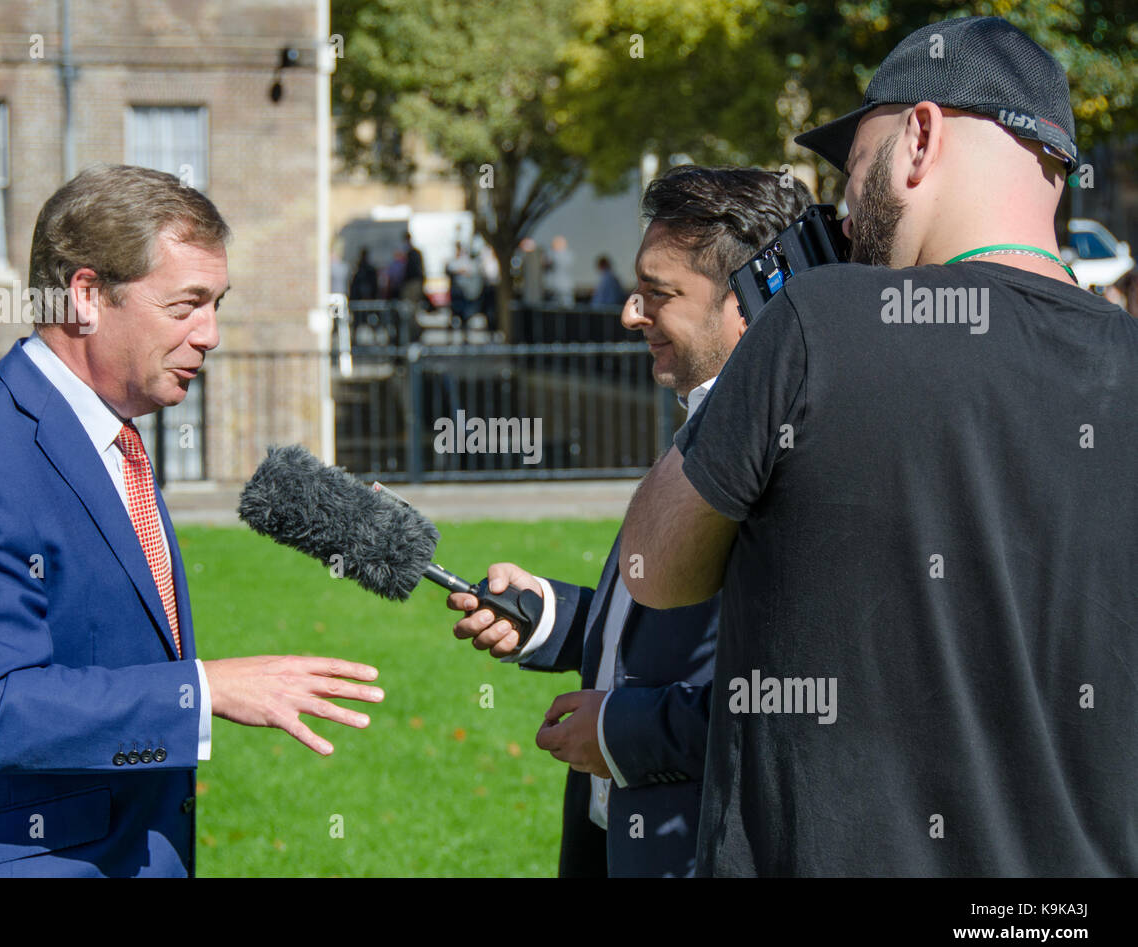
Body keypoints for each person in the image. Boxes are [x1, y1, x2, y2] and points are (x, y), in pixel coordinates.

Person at [620, 17, 1138, 876]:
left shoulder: (817, 324)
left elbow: (654, 566)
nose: (847, 208)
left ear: (920, 137)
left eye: (854, 166)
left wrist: (760, 354)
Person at [0, 164, 384, 877]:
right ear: (85, 296)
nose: (212, 334)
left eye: (217, 303)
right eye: (186, 304)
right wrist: (204, 690)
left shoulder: (112, 432)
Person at [448, 166, 815, 876]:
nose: (630, 313)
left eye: (661, 294)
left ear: (747, 301)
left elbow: (798, 705)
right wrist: (550, 616)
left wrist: (621, 732)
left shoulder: (796, 457)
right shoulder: (702, 419)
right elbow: (660, 631)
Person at [546, 235, 575, 306]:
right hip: (556, 286)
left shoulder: (557, 255)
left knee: (566, 304)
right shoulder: (553, 254)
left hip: (562, 286)